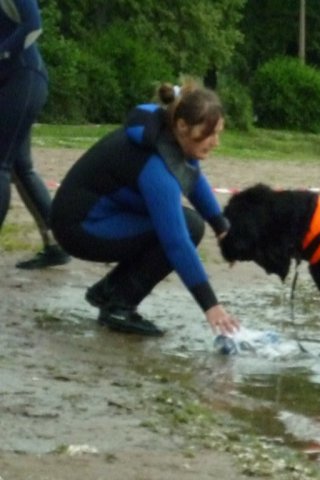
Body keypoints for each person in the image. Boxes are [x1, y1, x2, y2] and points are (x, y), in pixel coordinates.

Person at [50, 80, 240, 337]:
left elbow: (192, 176)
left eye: (218, 132)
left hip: (98, 215)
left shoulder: (167, 132)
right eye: (209, 133)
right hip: (79, 228)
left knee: (190, 223)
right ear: (183, 126)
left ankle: (109, 291)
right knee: (188, 228)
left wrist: (221, 225)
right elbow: (176, 244)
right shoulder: (154, 165)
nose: (215, 142)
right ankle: (119, 306)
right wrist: (211, 306)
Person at [0, 0, 70, 268]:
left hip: (24, 77)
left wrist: (2, 53)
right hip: (9, 81)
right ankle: (56, 245)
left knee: (1, 164)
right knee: (19, 166)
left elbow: (33, 25)